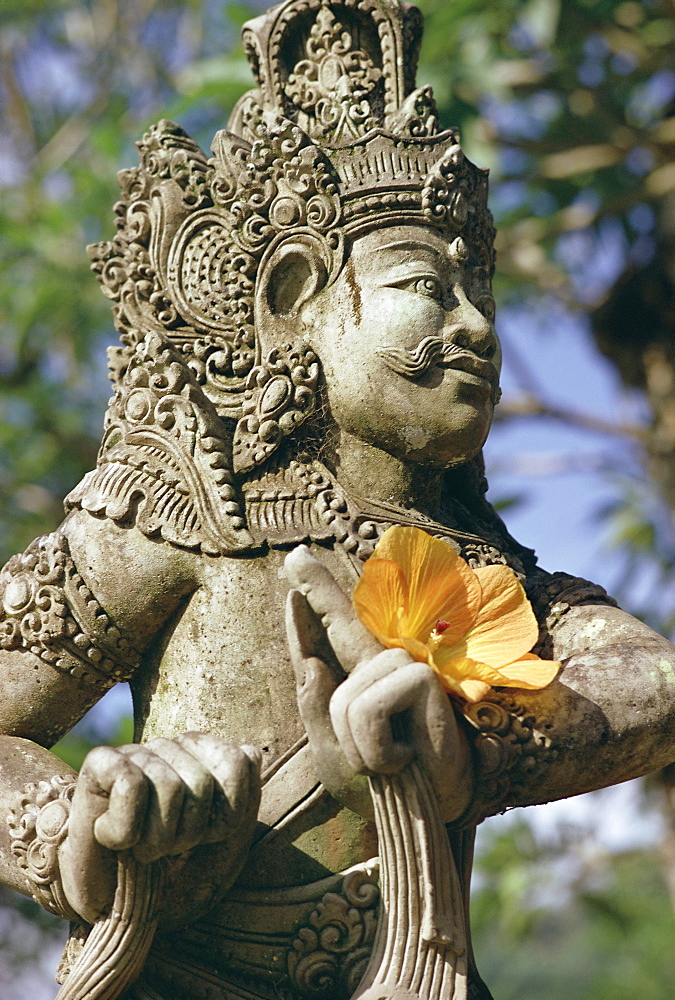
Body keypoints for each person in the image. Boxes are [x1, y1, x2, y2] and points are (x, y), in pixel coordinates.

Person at [0, 3, 673, 999]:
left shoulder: (492, 570)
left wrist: (462, 745)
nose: (477, 325)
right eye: (425, 286)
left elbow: (652, 682)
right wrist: (89, 826)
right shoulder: (185, 509)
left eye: (477, 287)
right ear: (289, 298)